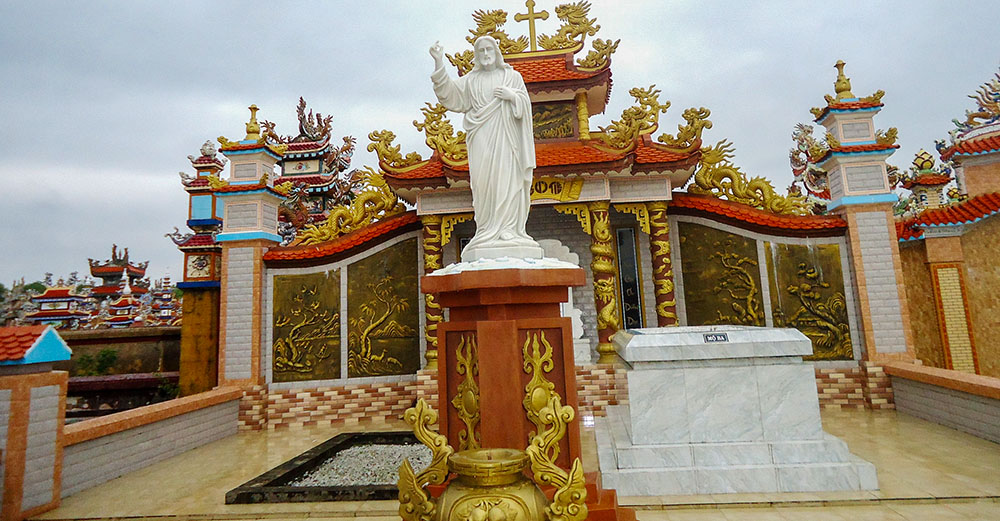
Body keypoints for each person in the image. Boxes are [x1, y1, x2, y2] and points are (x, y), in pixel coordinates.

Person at [430, 37, 544, 262]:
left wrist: (513, 97)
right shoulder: (471, 80)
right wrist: (439, 62)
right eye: (481, 50)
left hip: (508, 139)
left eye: (489, 49)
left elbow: (525, 106)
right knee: (484, 184)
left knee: (507, 180)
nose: (485, 53)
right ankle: (486, 228)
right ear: (476, 55)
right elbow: (449, 94)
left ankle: (508, 228)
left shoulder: (512, 77)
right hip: (480, 138)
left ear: (496, 51)